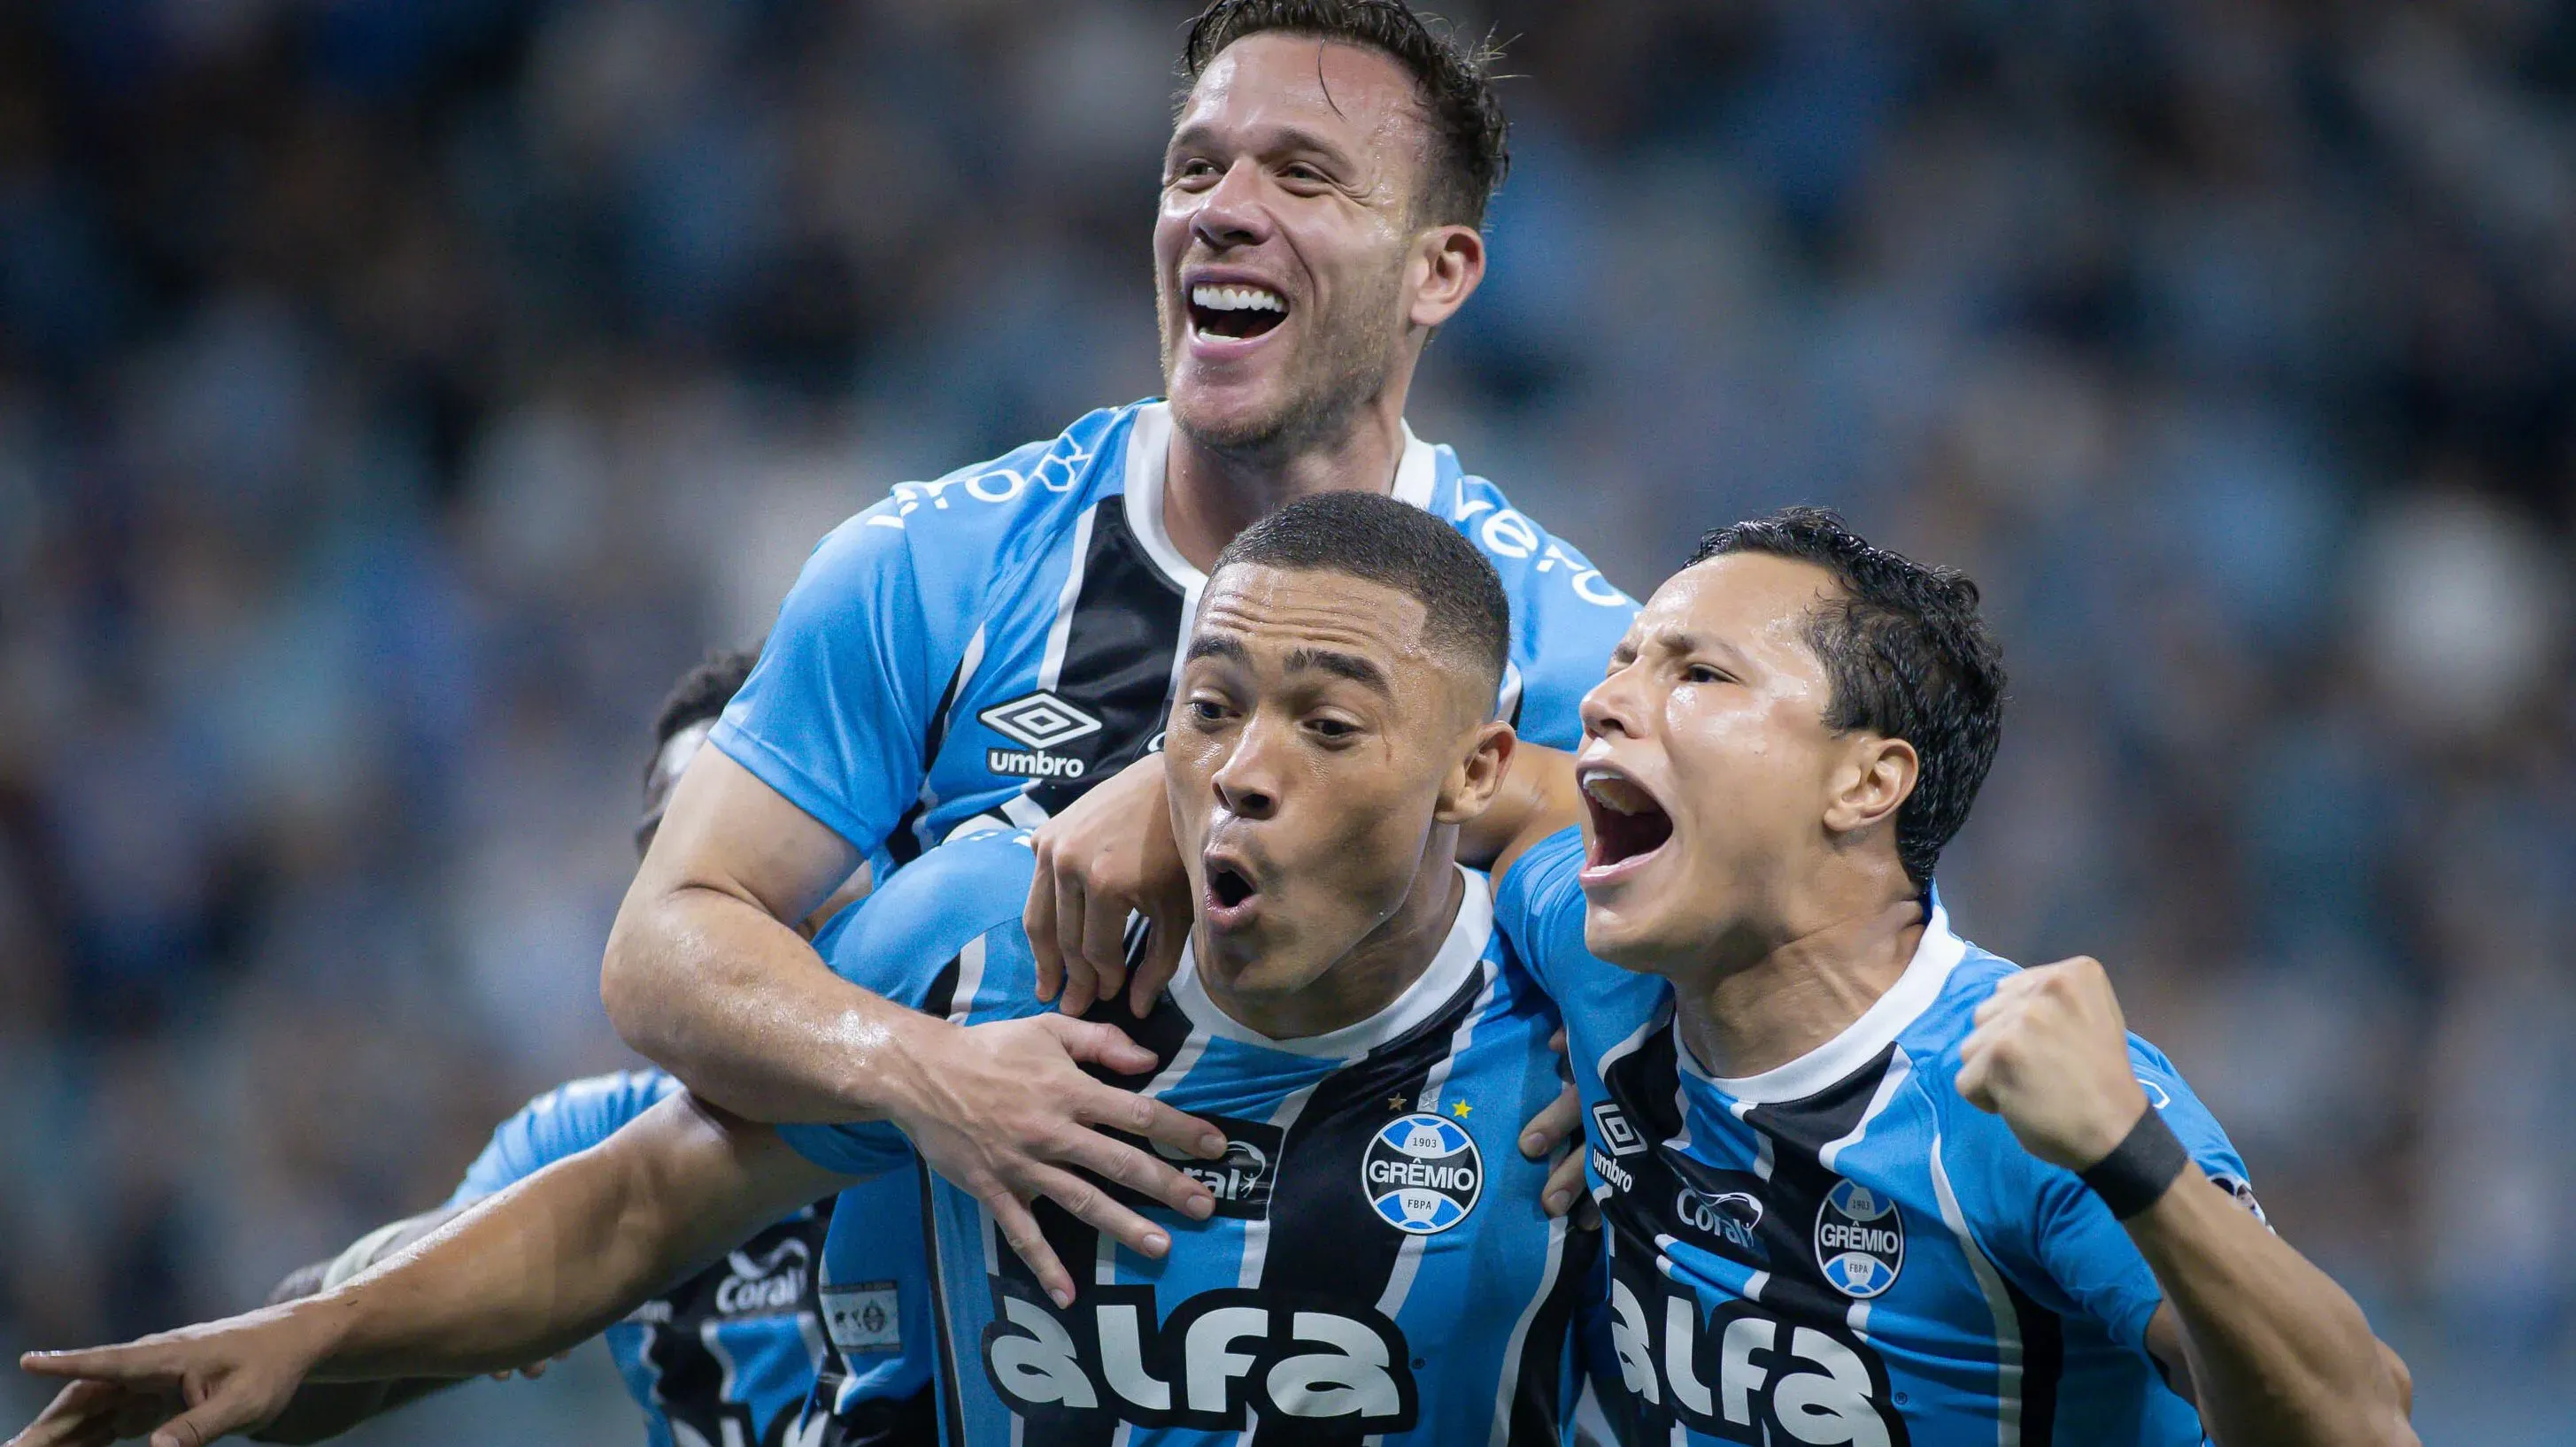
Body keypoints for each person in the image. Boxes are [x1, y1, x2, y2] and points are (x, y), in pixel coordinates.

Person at [12, 493, 1593, 1447]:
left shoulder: (1581, 999)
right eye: (1208, 711)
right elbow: (634, 1207)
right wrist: (302, 1343)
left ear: (1477, 773)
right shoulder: (972, 959)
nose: (1244, 771)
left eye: (1324, 724)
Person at [599, 0, 1632, 1317]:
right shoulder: (932, 565)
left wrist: (1651, 1097)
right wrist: (923, 1068)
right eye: (1195, 168)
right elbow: (665, 950)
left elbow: (1797, 957)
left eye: (1301, 173)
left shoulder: (1566, 644)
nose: (1223, 209)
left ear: (1439, 270)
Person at [1477, 508, 2417, 1443]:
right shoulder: (1602, 953)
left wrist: (2124, 1150)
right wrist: (1499, 1040)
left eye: (1701, 674)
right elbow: (1486, 786)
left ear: (1866, 784)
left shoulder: (2017, 1103)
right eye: (1624, 662)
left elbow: (2359, 1422)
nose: (1603, 703)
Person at [72, 652, 932, 1447]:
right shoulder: (583, 1140)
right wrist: (422, 1283)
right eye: (681, 856)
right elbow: (331, 1382)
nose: (734, 896)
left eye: (769, 847)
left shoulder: (959, 1089)